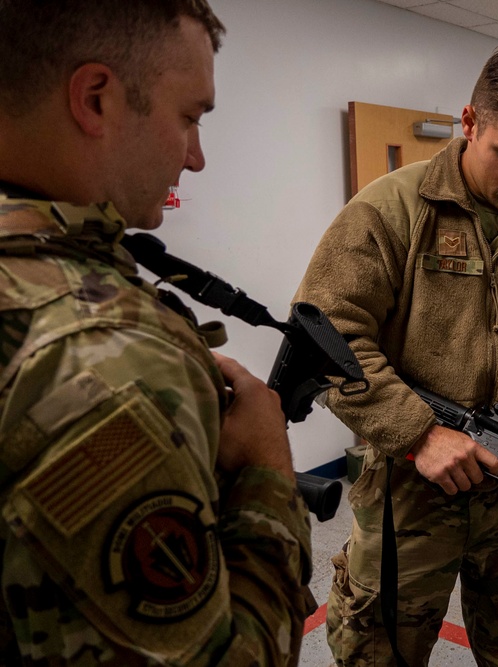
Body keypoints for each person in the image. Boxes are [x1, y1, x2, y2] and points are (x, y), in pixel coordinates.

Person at [0, 2, 312, 664]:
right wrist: (264, 466)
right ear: (95, 98)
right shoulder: (106, 361)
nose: (197, 158)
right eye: (190, 118)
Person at [295, 40, 498, 667]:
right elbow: (325, 335)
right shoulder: (391, 210)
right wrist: (419, 434)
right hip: (408, 497)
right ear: (469, 124)